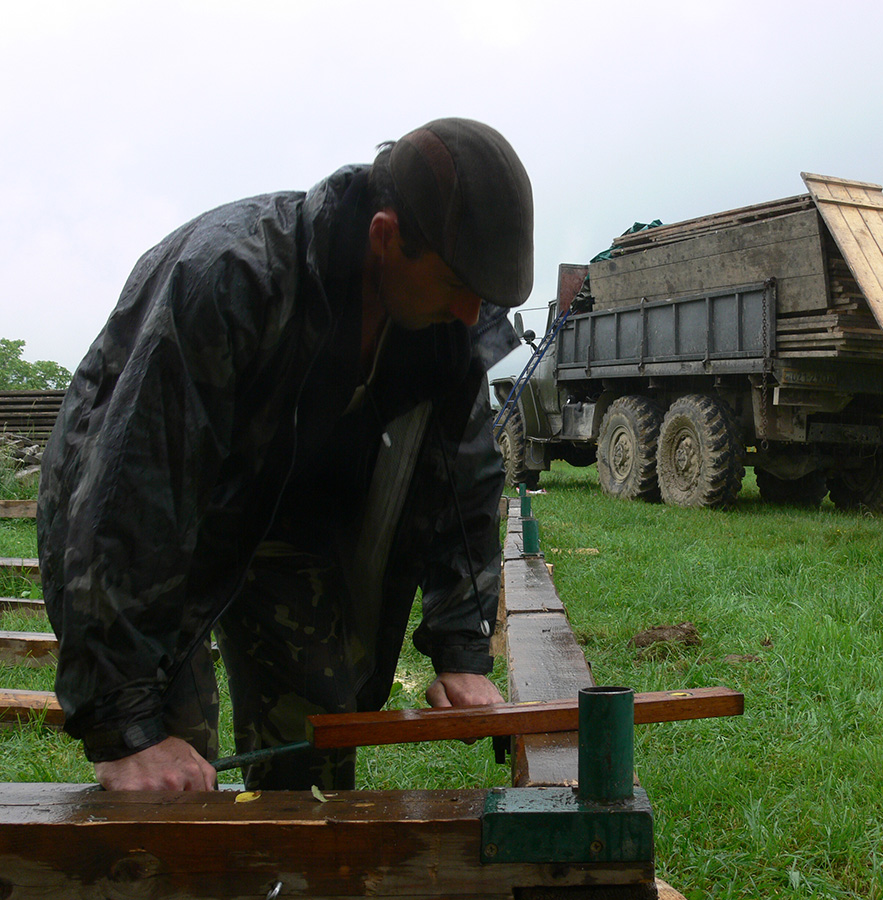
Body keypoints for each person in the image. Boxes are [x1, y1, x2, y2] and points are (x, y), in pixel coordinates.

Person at [37, 118, 535, 792]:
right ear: (384, 237)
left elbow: (462, 474)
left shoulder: (446, 323)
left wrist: (460, 648)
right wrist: (125, 726)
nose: (473, 313)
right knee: (170, 778)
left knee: (314, 754)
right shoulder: (228, 278)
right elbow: (132, 490)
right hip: (167, 533)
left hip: (290, 524)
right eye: (456, 285)